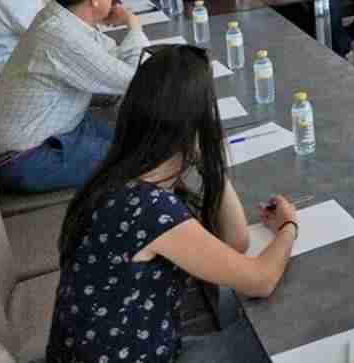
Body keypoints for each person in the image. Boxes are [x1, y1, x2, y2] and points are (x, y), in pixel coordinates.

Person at [47, 45, 295, 362]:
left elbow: (236, 242)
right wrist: (288, 226)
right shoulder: (148, 209)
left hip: (115, 351)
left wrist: (208, 159)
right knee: (275, 341)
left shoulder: (119, 178)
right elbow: (260, 280)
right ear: (194, 125)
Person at [0, 0, 148, 193]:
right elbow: (133, 80)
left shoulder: (60, 16)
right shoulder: (61, 36)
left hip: (60, 130)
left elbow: (111, 55)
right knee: (145, 158)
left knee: (143, 139)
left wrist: (131, 34)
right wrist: (133, 23)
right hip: (29, 158)